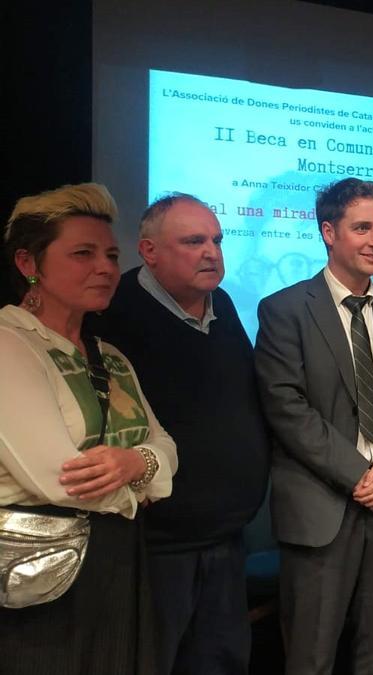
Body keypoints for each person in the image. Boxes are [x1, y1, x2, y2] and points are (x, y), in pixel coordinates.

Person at [90, 192, 271, 675]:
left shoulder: (225, 306)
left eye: (216, 239)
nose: (212, 251)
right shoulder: (113, 314)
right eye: (194, 241)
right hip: (154, 546)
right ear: (149, 252)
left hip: (226, 538)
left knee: (221, 662)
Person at [254, 178, 373, 674]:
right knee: (310, 656)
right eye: (362, 228)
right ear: (329, 232)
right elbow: (286, 408)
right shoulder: (284, 309)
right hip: (322, 506)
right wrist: (361, 475)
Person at [0, 182, 177, 673]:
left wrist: (135, 463)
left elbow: (165, 446)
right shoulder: (9, 345)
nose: (105, 267)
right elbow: (61, 479)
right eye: (83, 253)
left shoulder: (110, 355)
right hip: (39, 565)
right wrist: (142, 487)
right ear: (28, 265)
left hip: (119, 559)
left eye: (111, 255)